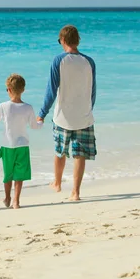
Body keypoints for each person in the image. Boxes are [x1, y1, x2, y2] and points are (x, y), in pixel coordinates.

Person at [37, 25, 96, 201]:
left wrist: (42, 113)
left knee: (59, 151)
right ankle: (76, 192)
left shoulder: (58, 61)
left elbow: (51, 90)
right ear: (77, 41)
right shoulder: (89, 62)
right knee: (80, 154)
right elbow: (93, 90)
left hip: (63, 116)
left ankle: (57, 183)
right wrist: (88, 108)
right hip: (84, 115)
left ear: (63, 40)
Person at [0, 74, 43, 209]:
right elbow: (34, 126)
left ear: (9, 90)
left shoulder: (3, 106)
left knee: (8, 174)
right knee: (19, 174)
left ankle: (7, 197)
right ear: (23, 90)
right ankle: (16, 201)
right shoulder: (28, 107)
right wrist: (40, 121)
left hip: (7, 145)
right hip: (22, 145)